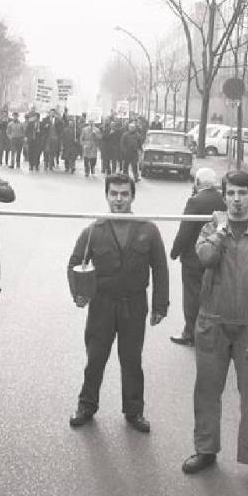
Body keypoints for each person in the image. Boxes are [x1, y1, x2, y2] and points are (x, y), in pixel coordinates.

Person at [182, 170, 248, 496]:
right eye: (231, 193)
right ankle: (206, 450)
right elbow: (205, 258)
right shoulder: (211, 230)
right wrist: (221, 231)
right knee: (207, 391)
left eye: (242, 193)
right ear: (223, 197)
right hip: (212, 324)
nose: (237, 199)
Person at [67, 174, 169, 433]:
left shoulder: (148, 229)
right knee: (96, 358)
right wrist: (79, 294)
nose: (119, 199)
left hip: (134, 305)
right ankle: (86, 406)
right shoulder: (94, 231)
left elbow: (160, 269)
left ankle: (134, 411)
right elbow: (74, 262)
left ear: (133, 196)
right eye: (114, 193)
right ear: (107, 196)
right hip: (101, 305)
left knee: (132, 360)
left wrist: (159, 306)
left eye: (125, 194)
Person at [169, 168, 226, 346]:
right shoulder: (223, 199)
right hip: (217, 255)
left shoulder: (195, 201)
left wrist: (174, 251)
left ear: (198, 183)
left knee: (192, 296)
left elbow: (186, 230)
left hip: (194, 258)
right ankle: (212, 333)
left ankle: (190, 333)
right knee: (212, 295)